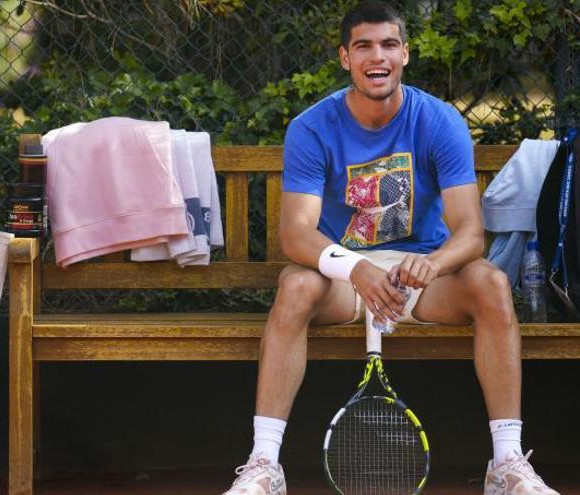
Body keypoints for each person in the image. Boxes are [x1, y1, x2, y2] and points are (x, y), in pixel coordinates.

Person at [222, 2, 559, 494]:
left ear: (404, 53)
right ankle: (262, 467)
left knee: (491, 282)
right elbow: (296, 234)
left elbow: (470, 232)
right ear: (345, 57)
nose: (375, 57)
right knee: (294, 286)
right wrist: (355, 269)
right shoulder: (313, 127)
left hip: (420, 278)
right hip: (345, 279)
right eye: (363, 46)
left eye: (387, 45)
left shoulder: (438, 121)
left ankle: (507, 466)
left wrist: (433, 263)